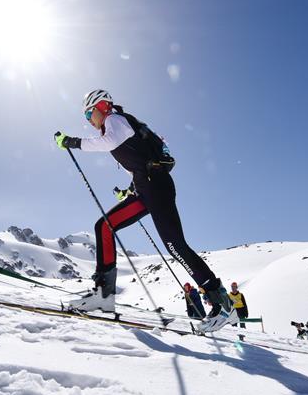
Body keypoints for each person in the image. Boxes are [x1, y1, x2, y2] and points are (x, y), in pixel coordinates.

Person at [55, 89, 236, 333]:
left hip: (157, 189)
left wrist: (71, 142)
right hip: (146, 190)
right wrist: (129, 191)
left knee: (175, 246)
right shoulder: (119, 124)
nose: (89, 120)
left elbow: (107, 144)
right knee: (105, 226)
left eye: (89, 113)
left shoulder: (115, 120)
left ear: (101, 106)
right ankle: (103, 295)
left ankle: (222, 304)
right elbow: (139, 162)